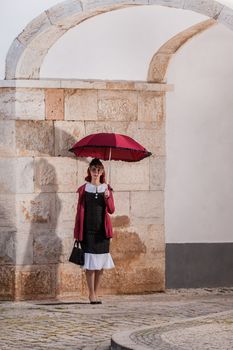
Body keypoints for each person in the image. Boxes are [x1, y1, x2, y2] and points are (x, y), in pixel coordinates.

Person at [73, 158, 115, 304]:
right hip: (88, 231)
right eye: (93, 169)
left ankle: (96, 293)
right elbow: (79, 212)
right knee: (90, 265)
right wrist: (77, 232)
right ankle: (91, 294)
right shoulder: (84, 189)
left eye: (98, 169)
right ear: (89, 171)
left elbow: (111, 210)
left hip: (102, 232)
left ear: (102, 171)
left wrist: (108, 198)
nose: (96, 172)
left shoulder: (107, 189)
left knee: (100, 265)